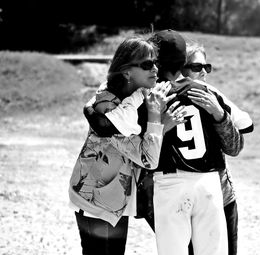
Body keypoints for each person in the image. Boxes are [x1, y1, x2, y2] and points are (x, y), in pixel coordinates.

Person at [84, 29, 249, 255]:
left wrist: (89, 109)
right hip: (209, 182)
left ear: (157, 62)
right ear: (182, 63)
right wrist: (219, 113)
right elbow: (246, 124)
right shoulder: (207, 91)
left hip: (170, 183)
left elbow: (107, 126)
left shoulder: (145, 95)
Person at [68, 37, 183, 255]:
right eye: (147, 64)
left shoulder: (136, 95)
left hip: (112, 195)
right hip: (97, 198)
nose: (156, 69)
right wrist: (156, 119)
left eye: (155, 62)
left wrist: (159, 123)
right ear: (127, 72)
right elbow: (147, 158)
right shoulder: (109, 106)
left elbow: (138, 148)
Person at [181, 42, 254, 255]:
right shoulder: (161, 99)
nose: (203, 71)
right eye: (196, 67)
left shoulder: (213, 97)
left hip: (221, 196)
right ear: (180, 68)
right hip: (183, 199)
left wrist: (219, 114)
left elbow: (235, 146)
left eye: (207, 67)